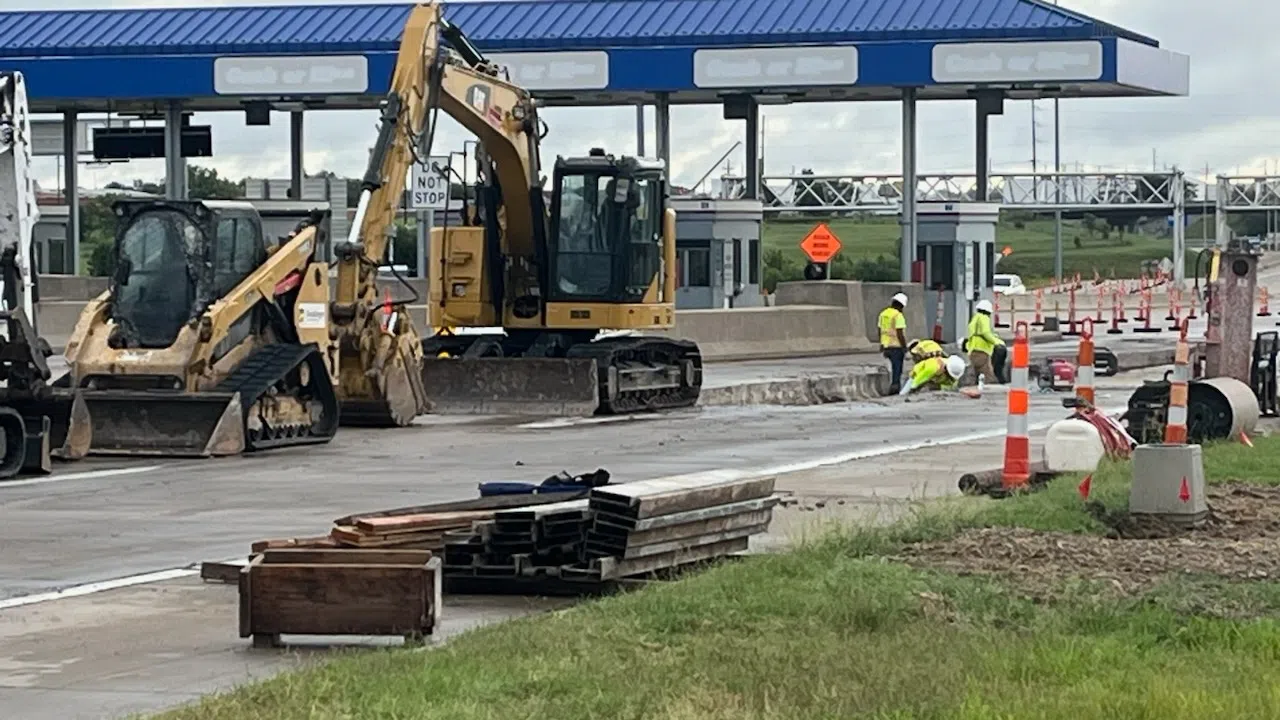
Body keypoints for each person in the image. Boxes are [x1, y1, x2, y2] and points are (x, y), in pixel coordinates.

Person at [966, 299, 1005, 384]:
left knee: (977, 375)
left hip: (973, 350)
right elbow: (985, 333)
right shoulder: (984, 318)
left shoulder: (975, 318)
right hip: (982, 351)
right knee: (987, 376)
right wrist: (997, 342)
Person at [878, 293, 909, 394]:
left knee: (890, 368)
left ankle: (890, 386)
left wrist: (882, 343)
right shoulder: (898, 315)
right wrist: (904, 347)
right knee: (897, 369)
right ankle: (895, 387)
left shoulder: (883, 314)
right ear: (901, 305)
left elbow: (880, 330)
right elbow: (899, 333)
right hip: (896, 346)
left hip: (886, 346)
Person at [899, 354, 966, 396]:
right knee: (905, 393)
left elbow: (951, 385)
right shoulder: (932, 368)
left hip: (935, 378)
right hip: (918, 373)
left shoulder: (953, 367)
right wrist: (912, 390)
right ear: (946, 369)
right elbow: (917, 380)